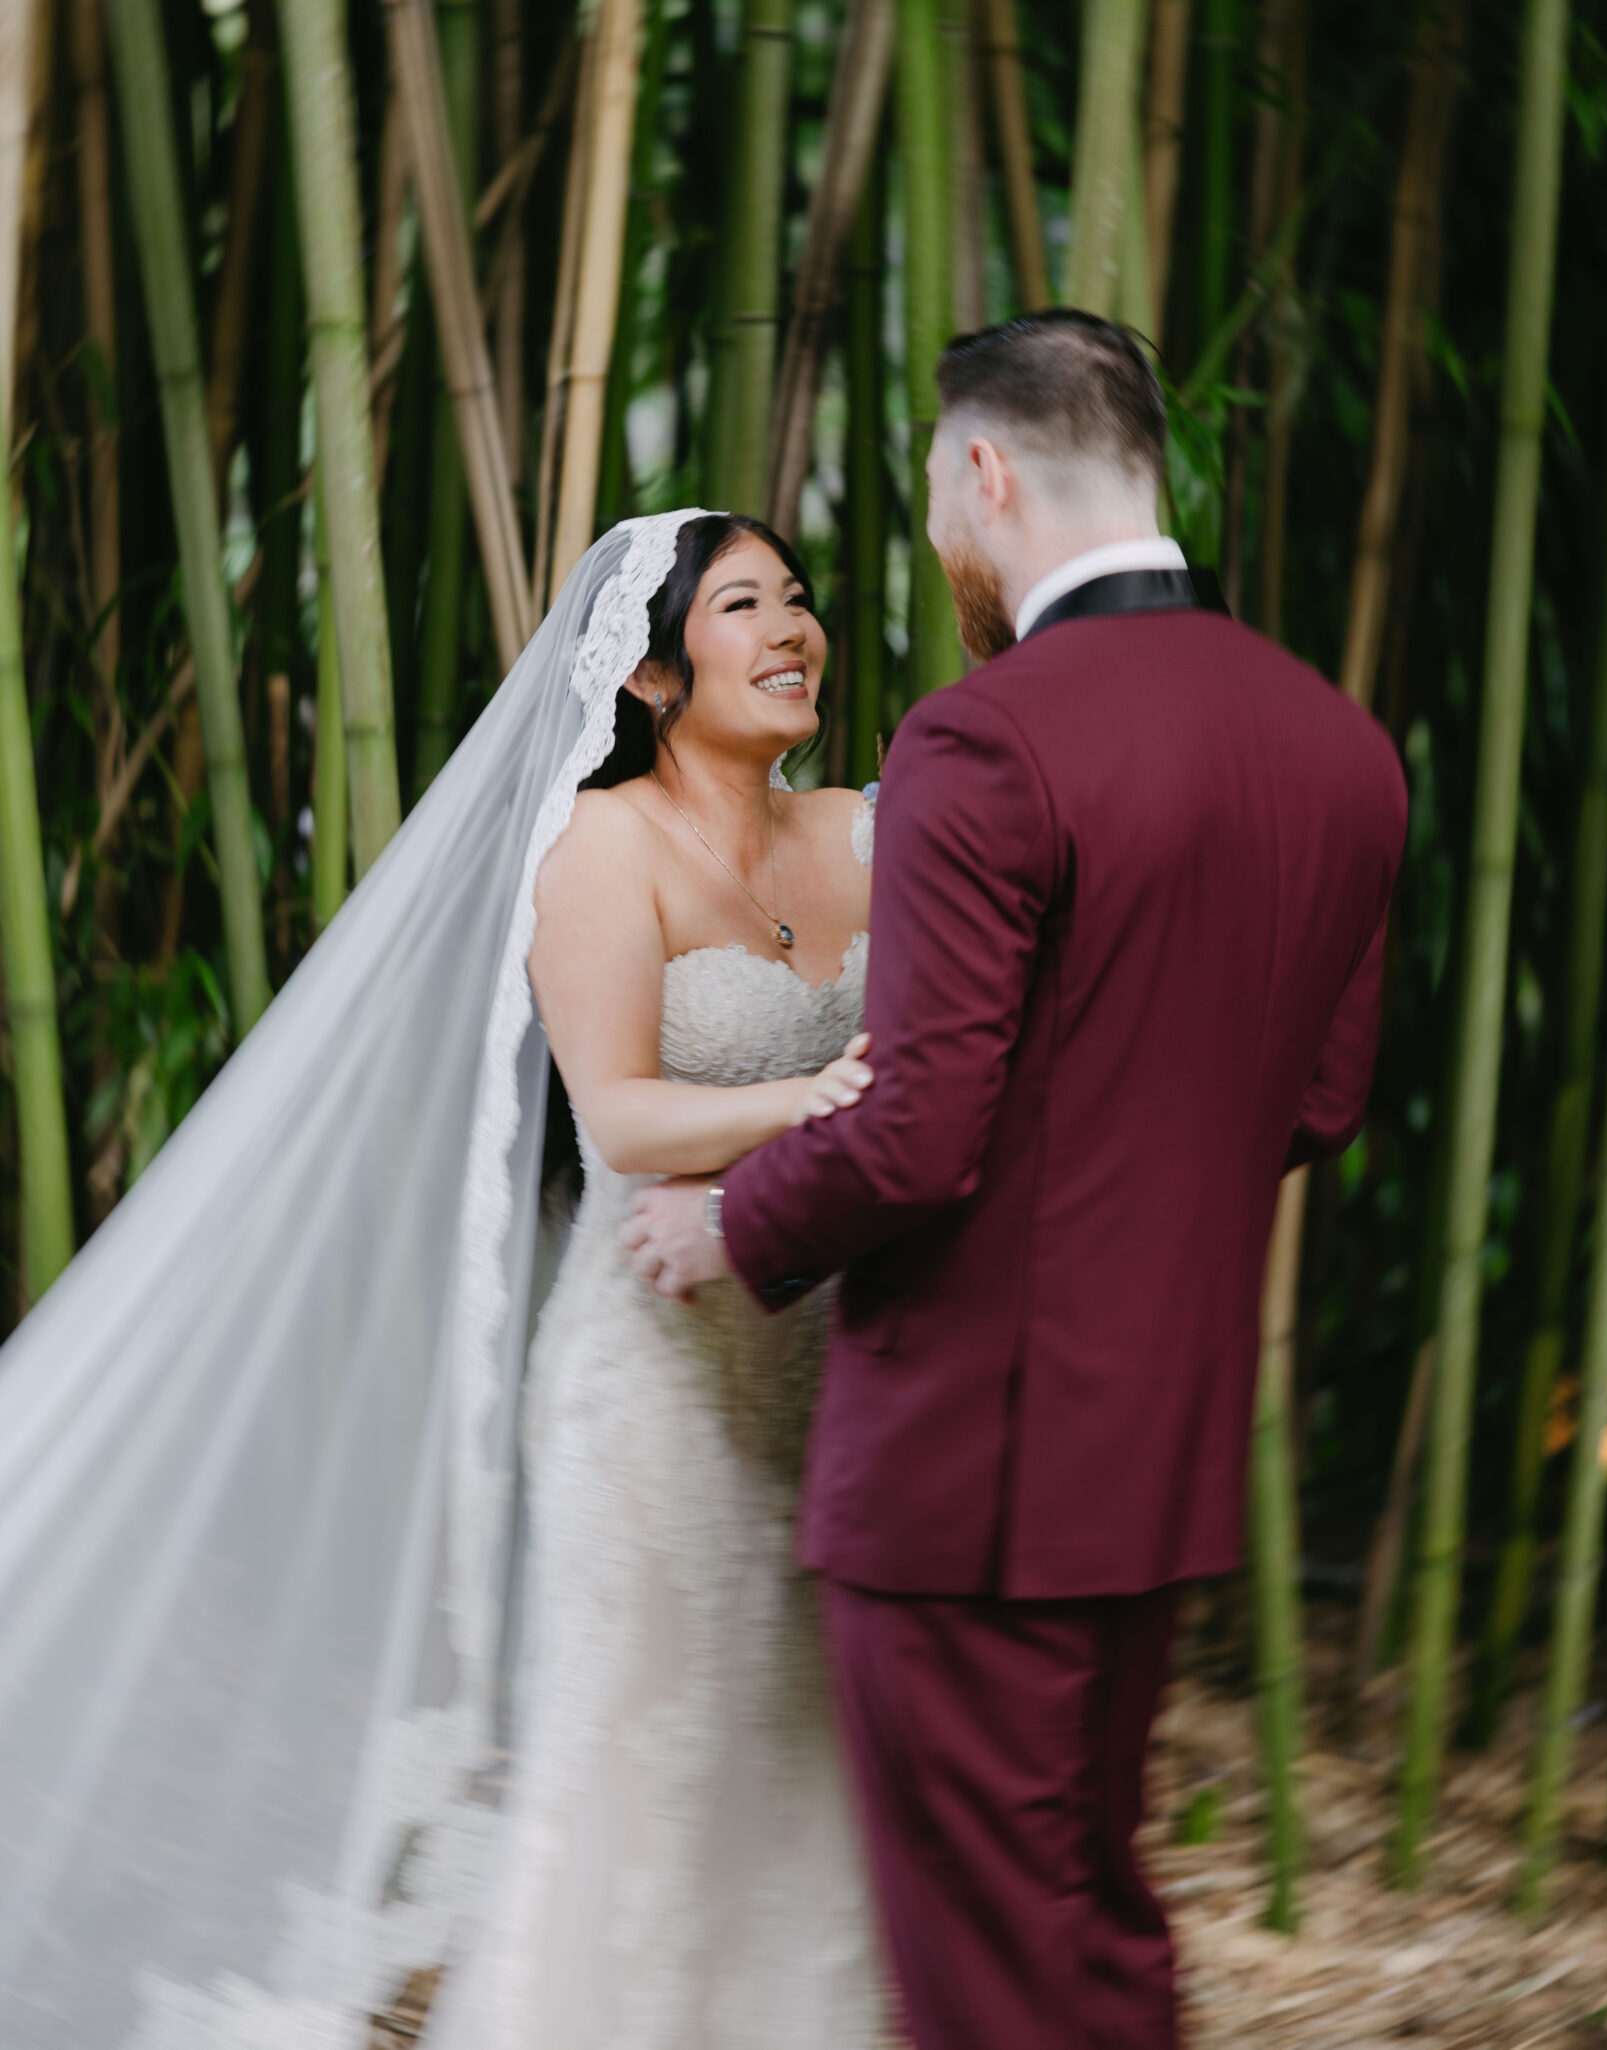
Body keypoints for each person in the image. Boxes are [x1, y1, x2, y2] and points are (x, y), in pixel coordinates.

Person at [624, 310, 1409, 2049]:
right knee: (1089, 1926)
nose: (940, 548)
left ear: (986, 473)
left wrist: (725, 1219)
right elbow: (1318, 1101)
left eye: (935, 506)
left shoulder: (987, 738)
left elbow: (917, 1129)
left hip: (978, 1462)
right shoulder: (1343, 750)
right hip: (1165, 1453)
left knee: (993, 1980)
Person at [0, 511, 882, 2049]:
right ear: (662, 674)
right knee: (651, 1785)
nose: (794, 627)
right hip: (660, 1399)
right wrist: (824, 1101)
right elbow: (619, 1112)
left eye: (800, 598)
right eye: (746, 605)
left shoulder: (871, 830)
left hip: (837, 1384)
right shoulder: (598, 848)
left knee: (810, 1787)